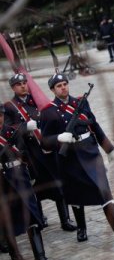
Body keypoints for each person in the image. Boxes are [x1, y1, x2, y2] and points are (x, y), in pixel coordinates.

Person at [39, 73, 114, 243]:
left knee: (104, 189)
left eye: (65, 84)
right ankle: (81, 228)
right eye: (59, 85)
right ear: (53, 90)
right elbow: (45, 142)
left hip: (90, 152)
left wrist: (108, 148)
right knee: (75, 193)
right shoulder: (48, 112)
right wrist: (59, 138)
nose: (63, 87)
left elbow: (94, 124)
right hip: (69, 157)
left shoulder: (81, 102)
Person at [3, 73, 79, 233]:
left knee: (58, 182)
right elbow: (7, 130)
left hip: (48, 148)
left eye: (25, 82)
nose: (23, 86)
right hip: (31, 152)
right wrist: (24, 128)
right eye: (19, 84)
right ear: (13, 88)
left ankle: (65, 219)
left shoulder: (37, 100)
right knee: (36, 186)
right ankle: (39, 218)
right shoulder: (10, 107)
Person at [0, 104, 53, 260]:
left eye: (0, 116)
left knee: (32, 215)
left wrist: (31, 174)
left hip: (18, 175)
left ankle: (40, 257)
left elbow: (25, 154)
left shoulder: (12, 132)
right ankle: (13, 251)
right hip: (1, 181)